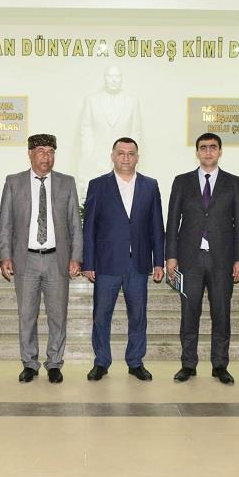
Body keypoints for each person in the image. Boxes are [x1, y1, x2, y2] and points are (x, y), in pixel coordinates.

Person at [165, 132, 239, 383]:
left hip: (222, 260)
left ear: (220, 151)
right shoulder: (182, 181)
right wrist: (170, 257)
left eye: (213, 147)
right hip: (189, 259)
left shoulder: (234, 182)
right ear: (197, 152)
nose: (208, 151)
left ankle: (220, 365)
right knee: (189, 314)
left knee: (221, 314)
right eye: (203, 147)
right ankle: (188, 364)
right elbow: (172, 221)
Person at [0, 134, 83, 384]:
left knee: (58, 316)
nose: (46, 156)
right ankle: (30, 363)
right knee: (27, 315)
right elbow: (6, 224)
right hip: (26, 260)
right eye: (41, 151)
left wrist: (76, 257)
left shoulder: (66, 182)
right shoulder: (14, 182)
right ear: (30, 154)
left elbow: (75, 224)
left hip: (57, 259)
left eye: (50, 151)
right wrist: (5, 255)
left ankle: (55, 363)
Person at [82, 137, 164, 382]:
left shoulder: (150, 185)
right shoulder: (98, 185)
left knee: (138, 316)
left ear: (138, 157)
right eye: (121, 153)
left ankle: (135, 362)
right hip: (106, 264)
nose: (126, 158)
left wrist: (158, 261)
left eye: (131, 153)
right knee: (101, 316)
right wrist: (88, 262)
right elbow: (90, 227)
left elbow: (156, 226)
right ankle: (101, 362)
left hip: (138, 263)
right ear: (113, 156)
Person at [79, 66, 143, 191]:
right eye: (110, 76)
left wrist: (132, 156)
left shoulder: (132, 101)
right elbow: (86, 129)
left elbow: (135, 131)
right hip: (97, 160)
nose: (114, 80)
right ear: (105, 78)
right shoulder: (91, 100)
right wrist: (88, 154)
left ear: (121, 79)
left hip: (124, 162)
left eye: (117, 76)